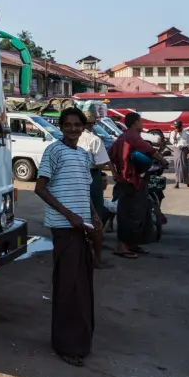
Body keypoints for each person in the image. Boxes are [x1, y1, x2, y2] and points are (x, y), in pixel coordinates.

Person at [34, 107, 101, 368]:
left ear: (83, 127)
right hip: (64, 228)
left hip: (82, 227)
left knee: (82, 289)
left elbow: (85, 190)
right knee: (68, 288)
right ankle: (66, 345)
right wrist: (68, 214)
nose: (73, 129)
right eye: (68, 125)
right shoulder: (54, 151)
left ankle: (81, 341)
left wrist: (93, 215)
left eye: (77, 124)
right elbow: (40, 188)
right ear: (61, 127)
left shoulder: (84, 156)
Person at [108, 112, 167, 259]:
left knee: (137, 213)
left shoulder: (121, 137)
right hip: (132, 181)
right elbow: (151, 151)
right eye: (141, 121)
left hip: (124, 180)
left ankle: (132, 244)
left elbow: (109, 155)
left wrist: (115, 172)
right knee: (131, 214)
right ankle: (122, 247)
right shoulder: (132, 137)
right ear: (135, 123)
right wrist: (163, 161)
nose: (143, 124)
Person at [77, 108, 116, 268]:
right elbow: (100, 164)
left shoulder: (70, 139)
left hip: (75, 178)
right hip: (92, 177)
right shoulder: (94, 139)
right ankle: (96, 258)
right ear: (93, 124)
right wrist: (109, 172)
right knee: (95, 218)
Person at [169, 120, 189, 189]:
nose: (177, 129)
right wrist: (175, 136)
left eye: (178, 127)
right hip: (176, 150)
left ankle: (187, 184)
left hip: (185, 150)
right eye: (175, 127)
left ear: (181, 126)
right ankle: (177, 184)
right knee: (177, 167)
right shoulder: (173, 133)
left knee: (185, 167)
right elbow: (172, 142)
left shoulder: (187, 133)